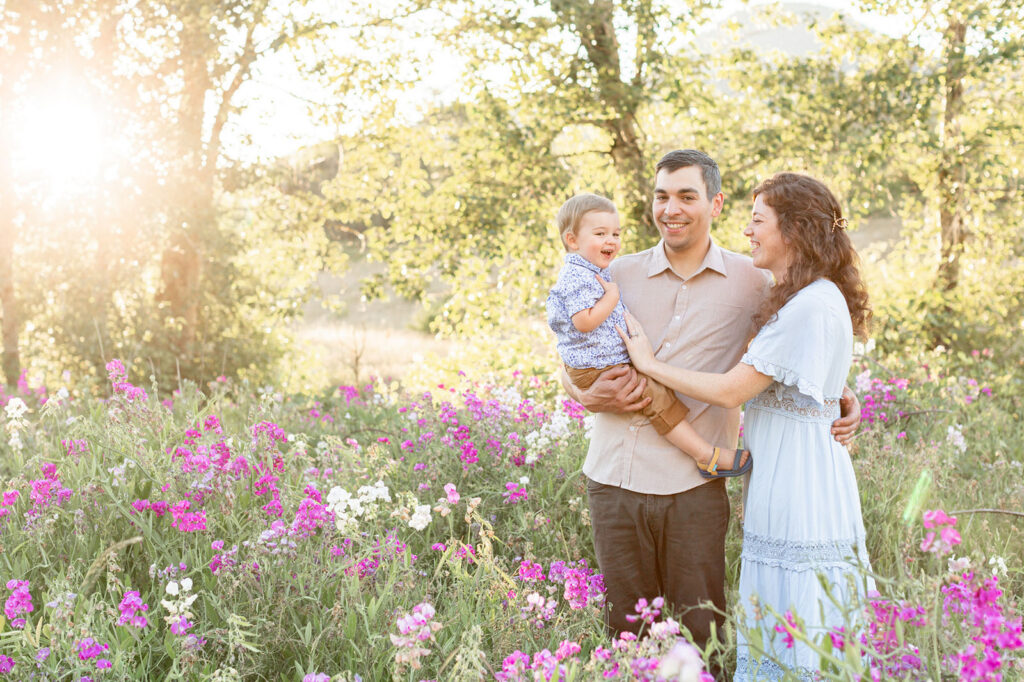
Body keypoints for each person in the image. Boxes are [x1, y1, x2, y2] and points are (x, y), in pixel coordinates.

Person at [560, 150, 861, 656]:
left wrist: (840, 394)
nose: (670, 209)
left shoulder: (755, 280)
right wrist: (586, 394)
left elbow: (797, 347)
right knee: (626, 640)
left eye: (686, 196)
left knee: (702, 639)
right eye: (661, 196)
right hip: (614, 480)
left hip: (694, 487)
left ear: (715, 203)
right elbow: (569, 352)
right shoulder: (616, 273)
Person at [547, 192, 750, 479]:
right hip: (599, 367)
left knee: (656, 394)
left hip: (599, 362)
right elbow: (583, 322)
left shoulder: (594, 271)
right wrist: (612, 297)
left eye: (616, 234)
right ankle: (705, 455)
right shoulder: (579, 276)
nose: (611, 241)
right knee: (658, 399)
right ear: (572, 240)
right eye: (600, 234)